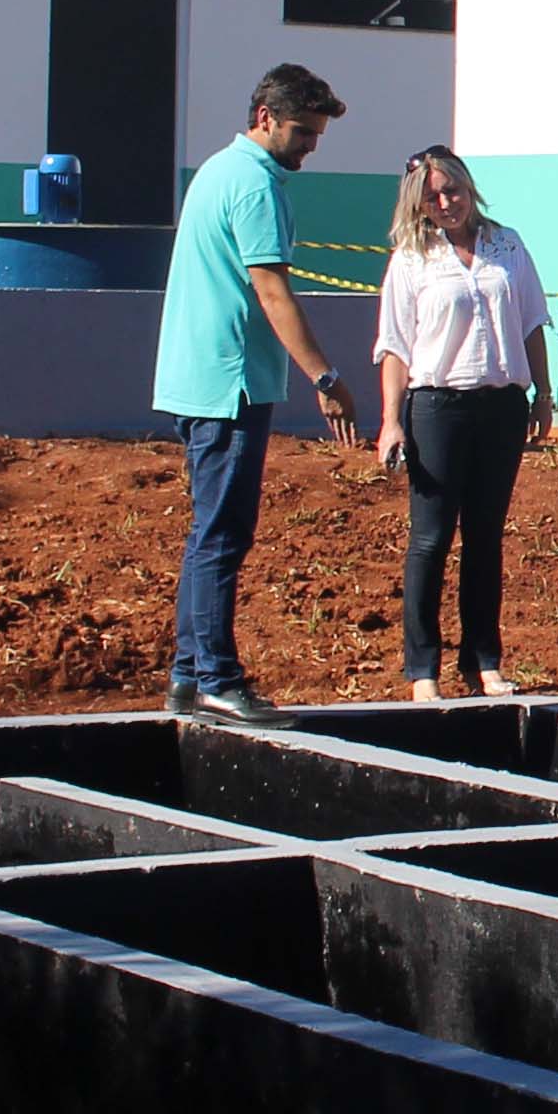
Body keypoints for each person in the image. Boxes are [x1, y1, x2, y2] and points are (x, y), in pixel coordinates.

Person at [151, 64, 362, 724]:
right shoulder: (253, 183)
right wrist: (325, 378)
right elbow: (271, 291)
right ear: (265, 117)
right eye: (303, 132)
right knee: (222, 534)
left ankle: (190, 676)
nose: (310, 147)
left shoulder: (219, 170)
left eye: (318, 134)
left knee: (209, 531)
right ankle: (216, 676)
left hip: (203, 380)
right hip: (229, 383)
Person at [370, 144, 550, 700]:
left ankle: (483, 661)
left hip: (500, 407)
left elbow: (531, 322)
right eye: (433, 197)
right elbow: (395, 345)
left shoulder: (508, 245)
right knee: (430, 539)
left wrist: (542, 395)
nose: (446, 203)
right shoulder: (411, 258)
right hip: (437, 408)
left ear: (469, 187)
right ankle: (422, 668)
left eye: (453, 190)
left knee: (486, 538)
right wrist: (391, 420)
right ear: (418, 205)